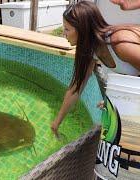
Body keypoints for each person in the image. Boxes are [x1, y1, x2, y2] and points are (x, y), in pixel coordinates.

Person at [50, 1, 140, 137]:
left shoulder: (121, 45)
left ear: (82, 29)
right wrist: (56, 123)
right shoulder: (91, 49)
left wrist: (120, 98)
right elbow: (76, 88)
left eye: (67, 29)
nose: (64, 34)